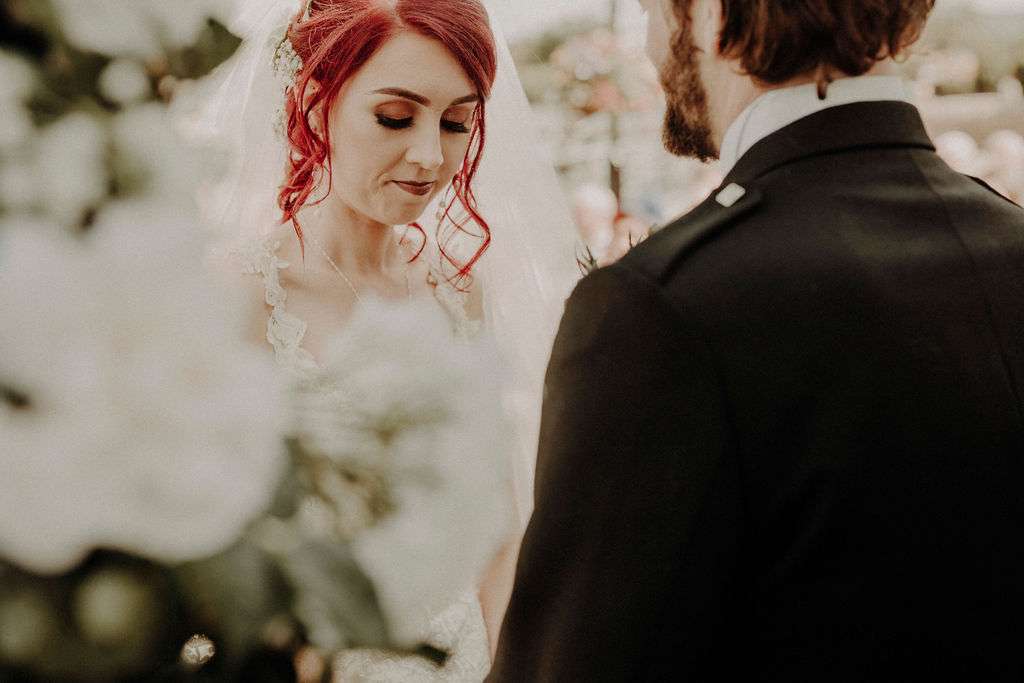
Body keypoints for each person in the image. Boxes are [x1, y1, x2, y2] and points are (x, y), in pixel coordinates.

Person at [490, 0, 1024, 681]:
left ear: (712, 15)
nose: (650, 47)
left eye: (653, 9)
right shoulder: (1011, 240)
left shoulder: (660, 307)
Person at [184, 0, 577, 679]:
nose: (429, 156)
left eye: (456, 123)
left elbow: (498, 526)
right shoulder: (241, 297)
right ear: (315, 107)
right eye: (395, 117)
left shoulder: (457, 296)